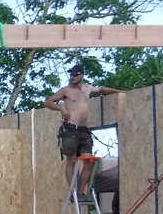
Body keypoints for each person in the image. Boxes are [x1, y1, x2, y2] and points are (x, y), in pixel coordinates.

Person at [44, 63, 120, 194]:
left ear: (82, 75)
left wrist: (118, 92)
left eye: (75, 74)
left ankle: (80, 192)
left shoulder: (87, 89)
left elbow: (101, 89)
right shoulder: (66, 90)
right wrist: (62, 108)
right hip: (70, 129)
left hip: (84, 131)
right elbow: (48, 102)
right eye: (71, 74)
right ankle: (72, 191)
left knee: (89, 161)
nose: (72, 77)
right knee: (71, 160)